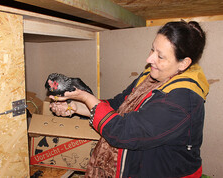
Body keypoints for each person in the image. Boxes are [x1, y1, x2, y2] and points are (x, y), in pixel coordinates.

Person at [49, 21, 209, 178]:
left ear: (184, 64)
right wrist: (76, 106)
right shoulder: (151, 76)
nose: (149, 59)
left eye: (160, 56)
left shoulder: (182, 101)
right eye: (152, 50)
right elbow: (118, 105)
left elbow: (123, 132)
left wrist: (85, 97)